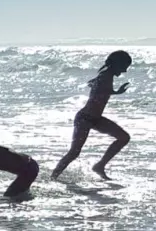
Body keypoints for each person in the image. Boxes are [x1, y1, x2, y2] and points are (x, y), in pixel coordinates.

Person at [52, 50, 133, 180]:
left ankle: (100, 166)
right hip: (85, 118)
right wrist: (113, 91)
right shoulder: (105, 75)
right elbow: (98, 89)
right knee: (74, 152)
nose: (124, 71)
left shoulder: (106, 75)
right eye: (124, 67)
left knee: (124, 137)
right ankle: (53, 176)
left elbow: (93, 85)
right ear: (117, 64)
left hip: (96, 119)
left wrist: (114, 92)